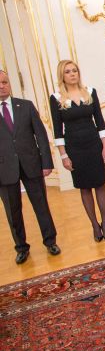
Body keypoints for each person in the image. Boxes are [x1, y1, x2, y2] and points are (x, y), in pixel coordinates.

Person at [0, 70, 61, 264]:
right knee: (13, 212)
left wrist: (47, 162)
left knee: (41, 205)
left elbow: (41, 135)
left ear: (9, 84)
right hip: (4, 170)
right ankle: (21, 247)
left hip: (32, 164)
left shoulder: (25, 106)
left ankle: (50, 241)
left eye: (4, 82)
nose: (1, 86)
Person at [50, 60, 105, 242]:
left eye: (75, 70)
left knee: (100, 184)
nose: (72, 74)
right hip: (74, 148)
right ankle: (95, 225)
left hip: (94, 145)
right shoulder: (56, 98)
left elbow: (100, 122)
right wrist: (64, 155)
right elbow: (57, 130)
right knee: (84, 187)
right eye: (68, 71)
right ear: (62, 76)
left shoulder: (90, 92)